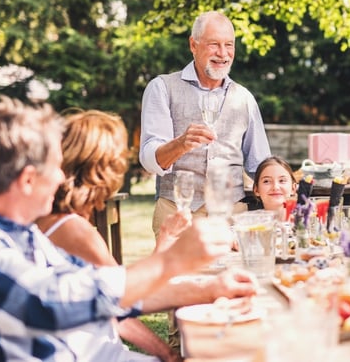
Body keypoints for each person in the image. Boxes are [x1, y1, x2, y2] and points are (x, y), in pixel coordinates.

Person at [0, 97, 236, 361]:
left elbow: (103, 292)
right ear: (28, 180)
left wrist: (211, 289)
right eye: (55, 167)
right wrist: (171, 261)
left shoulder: (19, 235)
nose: (61, 178)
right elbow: (48, 303)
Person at [36, 110, 255, 360]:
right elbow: (120, 307)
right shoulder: (73, 229)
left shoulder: (53, 221)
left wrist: (164, 242)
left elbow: (122, 292)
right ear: (102, 168)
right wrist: (169, 356)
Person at [139, 11, 271, 242]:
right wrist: (180, 144)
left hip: (232, 215)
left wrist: (282, 180)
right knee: (180, 278)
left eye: (229, 45)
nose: (223, 53)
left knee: (233, 277)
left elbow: (259, 163)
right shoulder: (161, 88)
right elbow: (150, 159)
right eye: (214, 45)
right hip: (178, 213)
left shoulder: (244, 98)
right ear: (193, 44)